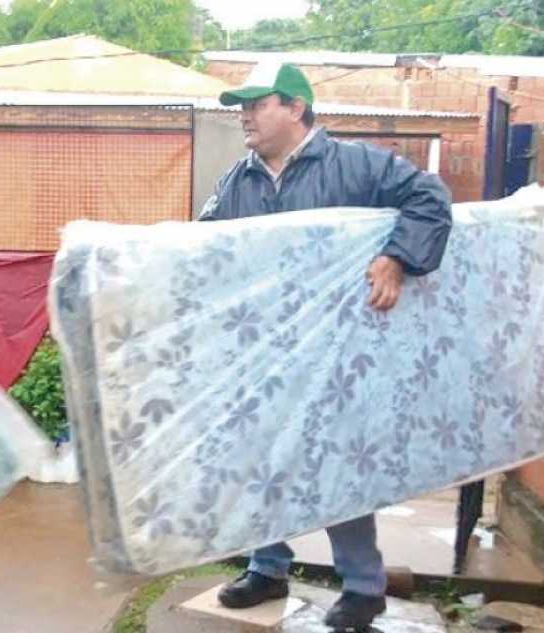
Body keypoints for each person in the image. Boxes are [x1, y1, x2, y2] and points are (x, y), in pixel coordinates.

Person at [201, 62, 452, 630]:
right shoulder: (237, 181)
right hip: (264, 353)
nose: (243, 115)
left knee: (338, 461)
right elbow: (207, 250)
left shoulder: (357, 166)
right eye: (241, 106)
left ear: (295, 107)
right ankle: (268, 567)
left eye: (256, 103)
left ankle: (364, 587)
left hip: (338, 356)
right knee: (265, 456)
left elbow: (430, 199)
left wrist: (396, 257)